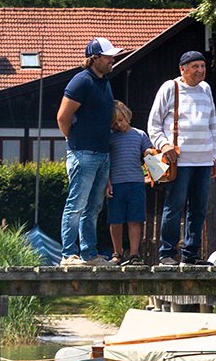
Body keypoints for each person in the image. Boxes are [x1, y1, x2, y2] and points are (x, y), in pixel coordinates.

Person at [146, 50, 216, 267]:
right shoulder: (171, 87)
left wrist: (213, 156)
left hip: (203, 159)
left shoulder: (206, 89)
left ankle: (191, 254)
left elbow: (212, 124)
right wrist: (164, 144)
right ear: (182, 69)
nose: (200, 70)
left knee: (199, 208)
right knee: (175, 205)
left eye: (203, 66)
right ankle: (167, 253)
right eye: (195, 66)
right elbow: (154, 124)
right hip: (179, 159)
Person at [56, 37, 121, 267]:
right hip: (82, 153)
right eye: (108, 56)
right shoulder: (80, 81)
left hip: (102, 154)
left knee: (94, 207)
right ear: (95, 58)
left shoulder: (104, 82)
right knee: (76, 205)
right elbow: (62, 117)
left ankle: (89, 254)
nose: (113, 59)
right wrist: (72, 138)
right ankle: (68, 255)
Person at [105, 101, 153, 266]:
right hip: (116, 184)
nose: (119, 125)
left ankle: (134, 254)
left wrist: (150, 155)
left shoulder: (140, 135)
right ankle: (117, 253)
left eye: (120, 120)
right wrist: (107, 183)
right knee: (115, 220)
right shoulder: (110, 138)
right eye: (114, 123)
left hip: (136, 182)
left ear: (127, 116)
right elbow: (106, 162)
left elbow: (147, 151)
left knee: (135, 220)